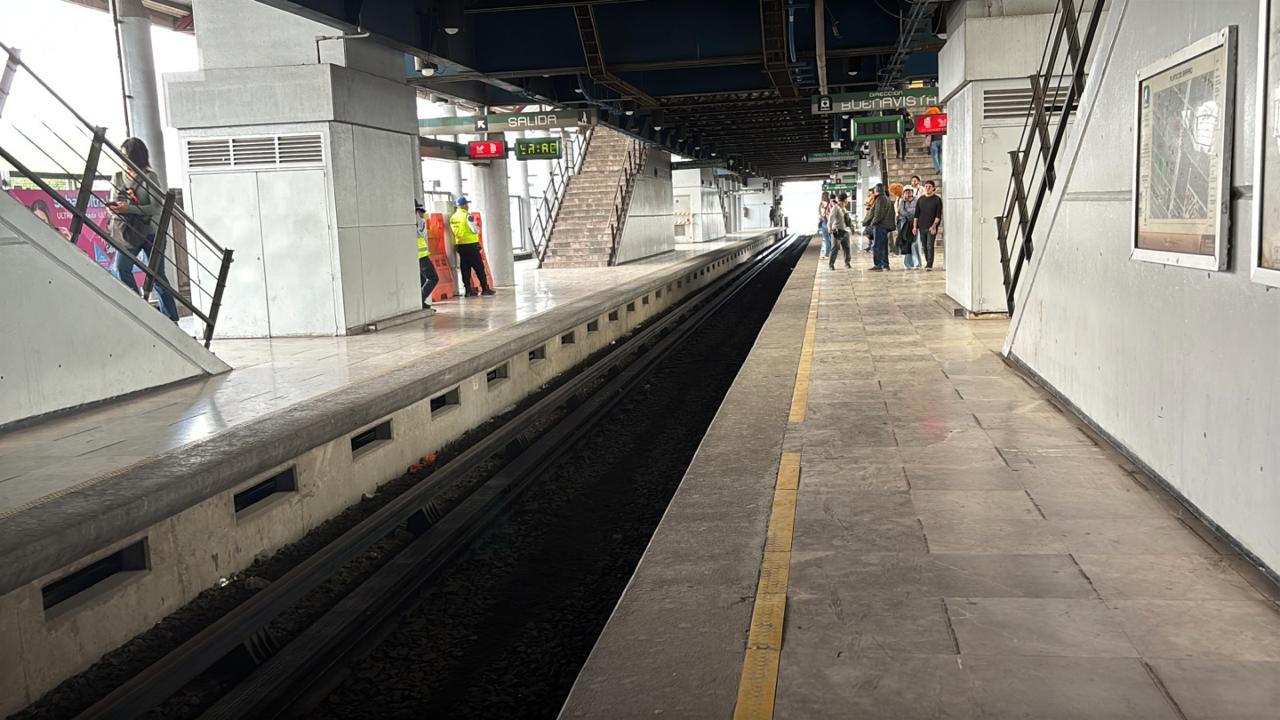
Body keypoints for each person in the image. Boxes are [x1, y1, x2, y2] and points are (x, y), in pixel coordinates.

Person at [108, 137, 179, 321]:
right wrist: (116, 209)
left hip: (151, 232)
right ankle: (139, 312)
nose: (122, 159)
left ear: (136, 156)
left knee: (156, 275)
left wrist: (129, 209)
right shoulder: (118, 177)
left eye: (126, 155)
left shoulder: (149, 177)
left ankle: (171, 319)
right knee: (120, 268)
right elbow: (114, 202)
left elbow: (156, 207)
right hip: (128, 232)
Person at [449, 196, 494, 297]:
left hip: (460, 245)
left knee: (465, 268)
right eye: (467, 204)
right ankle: (485, 289)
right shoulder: (467, 216)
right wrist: (477, 227)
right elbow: (474, 230)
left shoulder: (453, 217)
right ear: (464, 205)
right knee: (479, 267)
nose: (468, 206)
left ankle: (468, 290)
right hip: (471, 245)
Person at [863, 183, 895, 271]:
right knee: (883, 246)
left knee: (877, 246)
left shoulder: (880, 199)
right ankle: (885, 265)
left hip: (879, 225)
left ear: (877, 190)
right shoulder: (887, 199)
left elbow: (878, 214)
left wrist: (872, 223)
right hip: (885, 226)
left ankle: (878, 264)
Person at [914, 180, 943, 271]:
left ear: (933, 188)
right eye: (926, 186)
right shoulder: (920, 199)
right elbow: (916, 215)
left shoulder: (937, 200)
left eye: (929, 186)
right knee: (924, 246)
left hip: (931, 227)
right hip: (921, 226)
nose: (927, 188)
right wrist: (914, 227)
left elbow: (938, 215)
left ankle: (929, 264)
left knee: (930, 245)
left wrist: (934, 226)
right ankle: (927, 262)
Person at [416, 203, 438, 312]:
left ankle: (419, 301)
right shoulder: (419, 222)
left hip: (417, 257)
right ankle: (420, 299)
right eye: (420, 212)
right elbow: (421, 234)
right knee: (433, 278)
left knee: (422, 279)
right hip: (421, 256)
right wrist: (420, 221)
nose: (422, 214)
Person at [827, 192, 853, 270]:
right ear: (844, 200)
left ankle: (847, 263)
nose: (847, 201)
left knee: (847, 248)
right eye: (847, 199)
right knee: (834, 248)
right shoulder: (835, 208)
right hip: (837, 231)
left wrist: (851, 227)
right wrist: (829, 228)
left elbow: (847, 219)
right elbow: (830, 219)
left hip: (845, 231)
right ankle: (831, 264)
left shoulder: (844, 208)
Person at [896, 187, 920, 269]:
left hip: (915, 223)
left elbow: (917, 211)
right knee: (905, 243)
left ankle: (917, 263)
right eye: (906, 191)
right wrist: (910, 214)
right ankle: (907, 264)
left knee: (914, 243)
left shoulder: (917, 200)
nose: (908, 193)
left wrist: (909, 213)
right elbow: (901, 211)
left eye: (909, 191)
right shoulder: (902, 201)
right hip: (905, 224)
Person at [816, 191, 833, 260]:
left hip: (824, 222)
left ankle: (827, 254)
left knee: (827, 240)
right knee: (830, 239)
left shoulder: (821, 204)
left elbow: (820, 213)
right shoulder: (830, 204)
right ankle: (829, 253)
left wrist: (822, 217)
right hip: (829, 223)